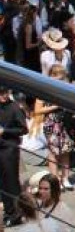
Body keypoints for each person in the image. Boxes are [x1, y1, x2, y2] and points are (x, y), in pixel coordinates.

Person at [0, 85, 27, 224]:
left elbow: (23, 129)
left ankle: (17, 213)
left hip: (9, 149)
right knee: (3, 183)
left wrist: (5, 131)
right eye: (1, 93)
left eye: (5, 92)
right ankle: (9, 211)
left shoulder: (14, 107)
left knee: (11, 182)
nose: (3, 95)